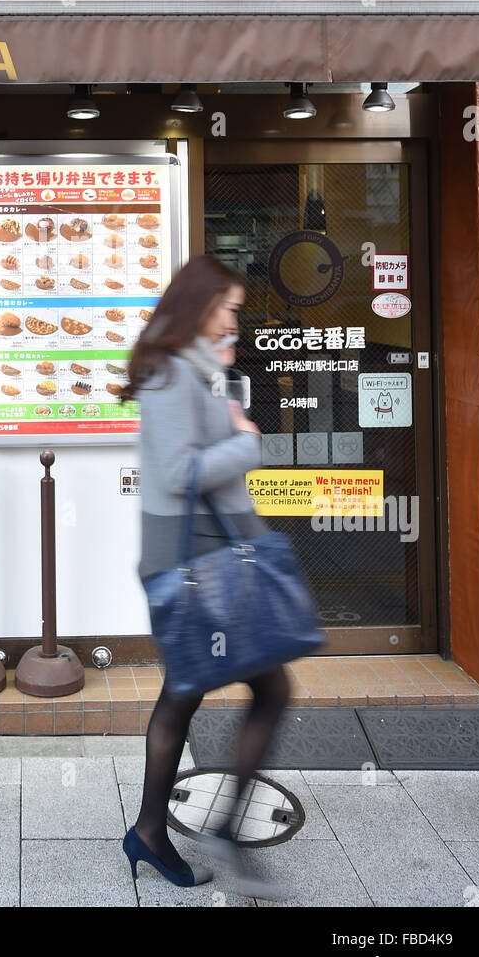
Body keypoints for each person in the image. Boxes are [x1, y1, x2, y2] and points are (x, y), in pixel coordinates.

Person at [121, 255, 290, 896]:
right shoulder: (171, 374)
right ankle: (184, 831)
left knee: (188, 691)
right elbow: (176, 473)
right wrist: (248, 440)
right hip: (192, 566)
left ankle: (151, 831)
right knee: (261, 690)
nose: (235, 321)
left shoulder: (203, 369)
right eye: (229, 307)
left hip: (214, 561)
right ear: (200, 304)